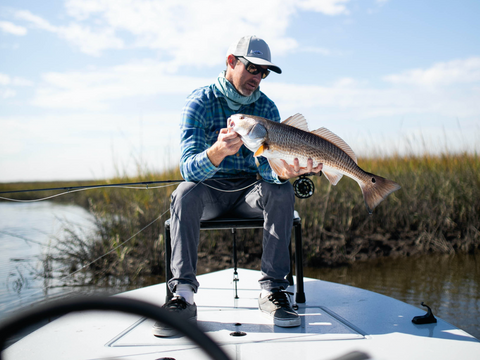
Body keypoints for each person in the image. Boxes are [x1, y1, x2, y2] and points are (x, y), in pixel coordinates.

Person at [153, 35, 322, 337]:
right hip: (209, 193)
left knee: (281, 190)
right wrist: (217, 152)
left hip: (250, 193)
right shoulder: (199, 102)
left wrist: (284, 173)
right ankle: (184, 296)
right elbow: (186, 168)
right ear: (231, 62)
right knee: (183, 194)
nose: (257, 77)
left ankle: (273, 291)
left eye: (263, 72)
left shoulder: (267, 107)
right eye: (252, 68)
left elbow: (268, 171)